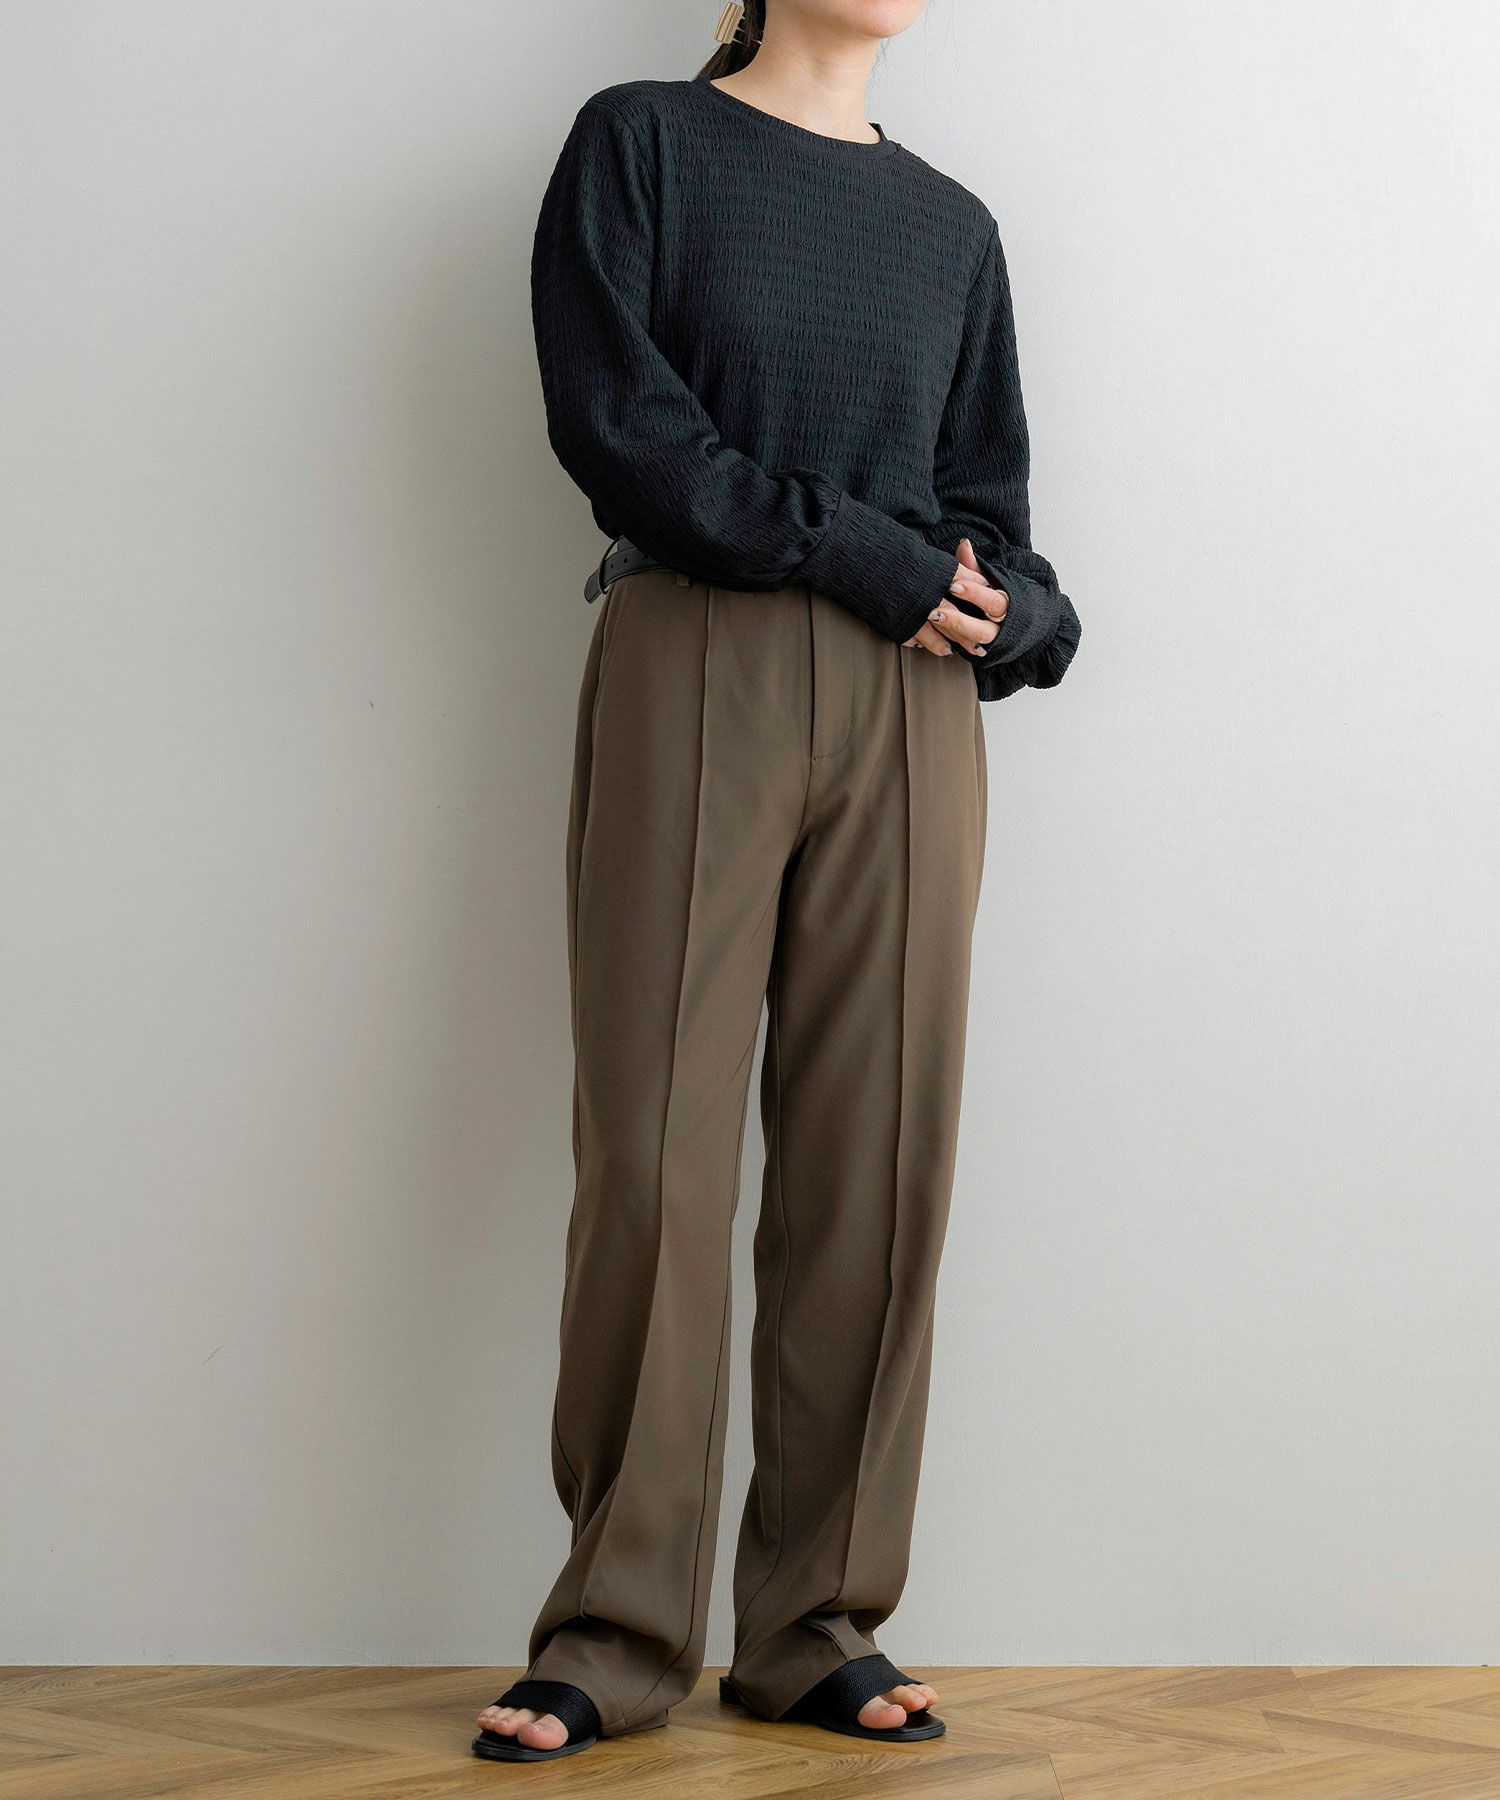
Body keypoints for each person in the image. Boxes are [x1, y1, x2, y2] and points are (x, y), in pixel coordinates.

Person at [474, 0, 1079, 1765]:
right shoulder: (644, 144)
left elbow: (987, 502)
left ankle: (817, 1621)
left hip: (915, 707)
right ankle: (616, 1628)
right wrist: (867, 554)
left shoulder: (952, 225)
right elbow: (622, 430)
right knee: (655, 1148)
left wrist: (1023, 609)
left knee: (879, 1157)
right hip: (700, 654)